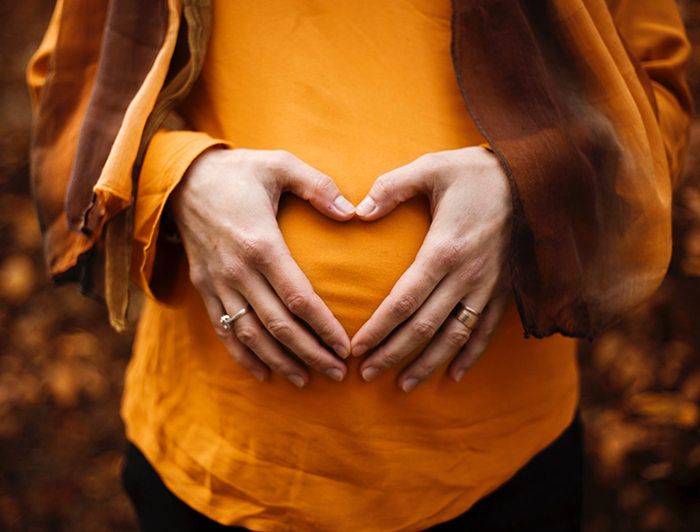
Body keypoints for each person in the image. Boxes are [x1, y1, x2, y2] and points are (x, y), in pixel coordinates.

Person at [28, 0, 691, 530]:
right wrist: (177, 180)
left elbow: (652, 101)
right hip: (215, 466)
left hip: (497, 471)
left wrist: (526, 187)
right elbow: (76, 93)